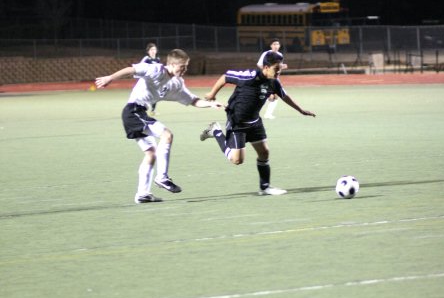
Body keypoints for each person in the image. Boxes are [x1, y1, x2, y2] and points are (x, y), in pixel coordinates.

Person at [95, 48, 223, 203]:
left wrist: (210, 104)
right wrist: (110, 77)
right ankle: (162, 177)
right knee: (167, 135)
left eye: (186, 66)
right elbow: (132, 69)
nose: (185, 70)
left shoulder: (176, 84)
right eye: (182, 66)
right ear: (172, 64)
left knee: (151, 154)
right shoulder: (155, 69)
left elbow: (193, 100)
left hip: (139, 114)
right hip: (133, 111)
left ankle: (142, 194)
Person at [199, 51, 315, 195]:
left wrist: (301, 110)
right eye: (276, 69)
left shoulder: (274, 82)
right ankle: (216, 131)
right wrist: (212, 94)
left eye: (280, 69)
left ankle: (265, 187)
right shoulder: (249, 76)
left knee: (264, 153)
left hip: (254, 121)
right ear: (266, 67)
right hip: (237, 121)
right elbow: (226, 76)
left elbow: (285, 96)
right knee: (237, 160)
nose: (279, 72)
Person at [257, 40, 288, 119]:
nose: (276, 45)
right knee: (270, 96)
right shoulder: (266, 53)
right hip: (267, 78)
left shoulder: (280, 55)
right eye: (274, 44)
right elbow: (259, 64)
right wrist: (267, 72)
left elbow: (277, 67)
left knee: (275, 96)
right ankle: (258, 112)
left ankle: (268, 114)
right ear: (271, 45)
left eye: (277, 44)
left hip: (275, 78)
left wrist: (282, 67)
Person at [140, 42, 161, 114]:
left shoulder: (158, 59)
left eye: (154, 49)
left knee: (156, 95)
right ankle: (141, 109)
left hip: (154, 81)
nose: (153, 51)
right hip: (146, 80)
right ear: (148, 51)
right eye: (151, 49)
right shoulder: (146, 59)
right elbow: (140, 67)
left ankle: (153, 110)